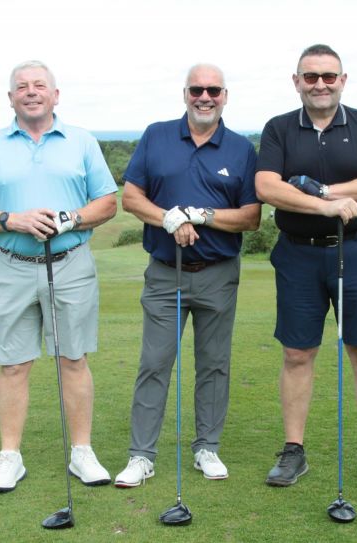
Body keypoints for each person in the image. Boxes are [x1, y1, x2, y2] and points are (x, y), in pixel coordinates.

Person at [0, 60, 117, 493]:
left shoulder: (82, 141)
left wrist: (69, 219)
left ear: (55, 95)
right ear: (11, 98)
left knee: (73, 359)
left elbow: (107, 203)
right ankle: (10, 457)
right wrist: (13, 219)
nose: (31, 91)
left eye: (39, 85)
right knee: (13, 365)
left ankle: (82, 452)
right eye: (22, 87)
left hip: (70, 263)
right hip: (10, 265)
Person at [255, 44, 357, 489]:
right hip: (298, 253)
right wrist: (325, 207)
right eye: (310, 76)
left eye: (328, 76)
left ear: (342, 80)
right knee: (297, 353)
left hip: (356, 250)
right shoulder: (279, 128)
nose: (320, 84)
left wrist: (322, 190)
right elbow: (267, 187)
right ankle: (293, 450)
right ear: (296, 81)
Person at [115, 63, 260, 487]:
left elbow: (251, 217)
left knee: (214, 365)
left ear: (225, 96)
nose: (204, 97)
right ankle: (141, 456)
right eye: (197, 89)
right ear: (185, 94)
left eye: (213, 90)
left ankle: (206, 448)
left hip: (218, 273)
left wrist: (202, 215)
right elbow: (131, 197)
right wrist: (168, 217)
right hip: (165, 274)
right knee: (154, 363)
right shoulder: (157, 135)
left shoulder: (241, 149)